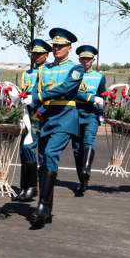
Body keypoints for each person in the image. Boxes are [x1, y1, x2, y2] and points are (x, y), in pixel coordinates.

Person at [23, 28, 84, 228]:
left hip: (65, 118)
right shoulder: (43, 70)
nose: (57, 48)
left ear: (69, 48)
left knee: (50, 155)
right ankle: (47, 210)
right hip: (45, 119)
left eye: (61, 46)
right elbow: (33, 92)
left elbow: (66, 89)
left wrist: (39, 97)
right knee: (43, 162)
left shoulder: (76, 69)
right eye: (55, 45)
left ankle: (41, 206)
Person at [13, 38, 51, 202]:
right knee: (25, 149)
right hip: (27, 115)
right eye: (34, 53)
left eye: (39, 54)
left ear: (46, 55)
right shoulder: (27, 74)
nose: (35, 56)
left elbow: (49, 95)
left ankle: (35, 188)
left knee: (38, 151)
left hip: (42, 115)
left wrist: (39, 112)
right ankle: (25, 187)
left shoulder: (48, 71)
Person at [71, 45, 107, 196]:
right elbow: (71, 92)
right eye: (83, 58)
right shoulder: (73, 74)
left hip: (91, 114)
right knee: (77, 149)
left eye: (88, 59)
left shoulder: (99, 77)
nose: (86, 61)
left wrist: (102, 111)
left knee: (89, 141)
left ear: (93, 60)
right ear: (79, 59)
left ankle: (86, 169)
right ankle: (82, 181)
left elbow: (102, 95)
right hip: (74, 113)